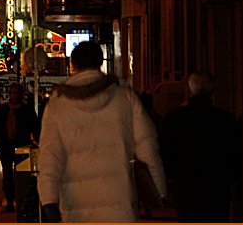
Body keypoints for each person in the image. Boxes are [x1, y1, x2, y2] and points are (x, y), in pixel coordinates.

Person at [37, 40, 166, 222]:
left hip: (77, 208)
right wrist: (159, 191)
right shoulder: (126, 98)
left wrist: (48, 200)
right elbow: (148, 147)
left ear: (73, 65)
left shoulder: (58, 105)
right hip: (120, 203)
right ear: (100, 62)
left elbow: (51, 156)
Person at [158, 70, 237, 222]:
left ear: (189, 90)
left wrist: (168, 179)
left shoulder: (174, 119)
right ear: (213, 91)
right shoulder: (225, 120)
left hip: (186, 187)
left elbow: (165, 153)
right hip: (217, 188)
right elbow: (234, 155)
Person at [0, 82, 40, 213]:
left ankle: (20, 198)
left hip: (22, 146)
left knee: (21, 175)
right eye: (13, 93)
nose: (15, 95)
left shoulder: (26, 111)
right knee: (7, 174)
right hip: (6, 146)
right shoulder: (3, 110)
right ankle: (10, 199)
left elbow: (36, 128)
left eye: (17, 93)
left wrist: (37, 142)